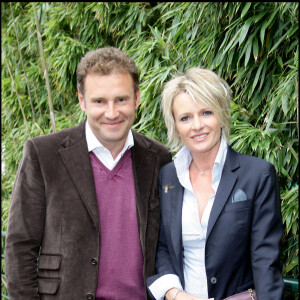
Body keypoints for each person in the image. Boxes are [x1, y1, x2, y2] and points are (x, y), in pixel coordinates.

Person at [5, 47, 172, 300]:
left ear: (137, 98)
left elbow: (166, 245)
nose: (112, 112)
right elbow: (20, 247)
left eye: (121, 99)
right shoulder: (44, 154)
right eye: (99, 101)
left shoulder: (158, 158)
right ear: (82, 101)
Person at [146, 67, 284, 300]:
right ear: (176, 126)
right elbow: (162, 248)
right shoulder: (167, 176)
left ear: (222, 115)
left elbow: (265, 261)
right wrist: (174, 293)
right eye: (185, 118)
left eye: (206, 112)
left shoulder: (257, 175)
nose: (197, 125)